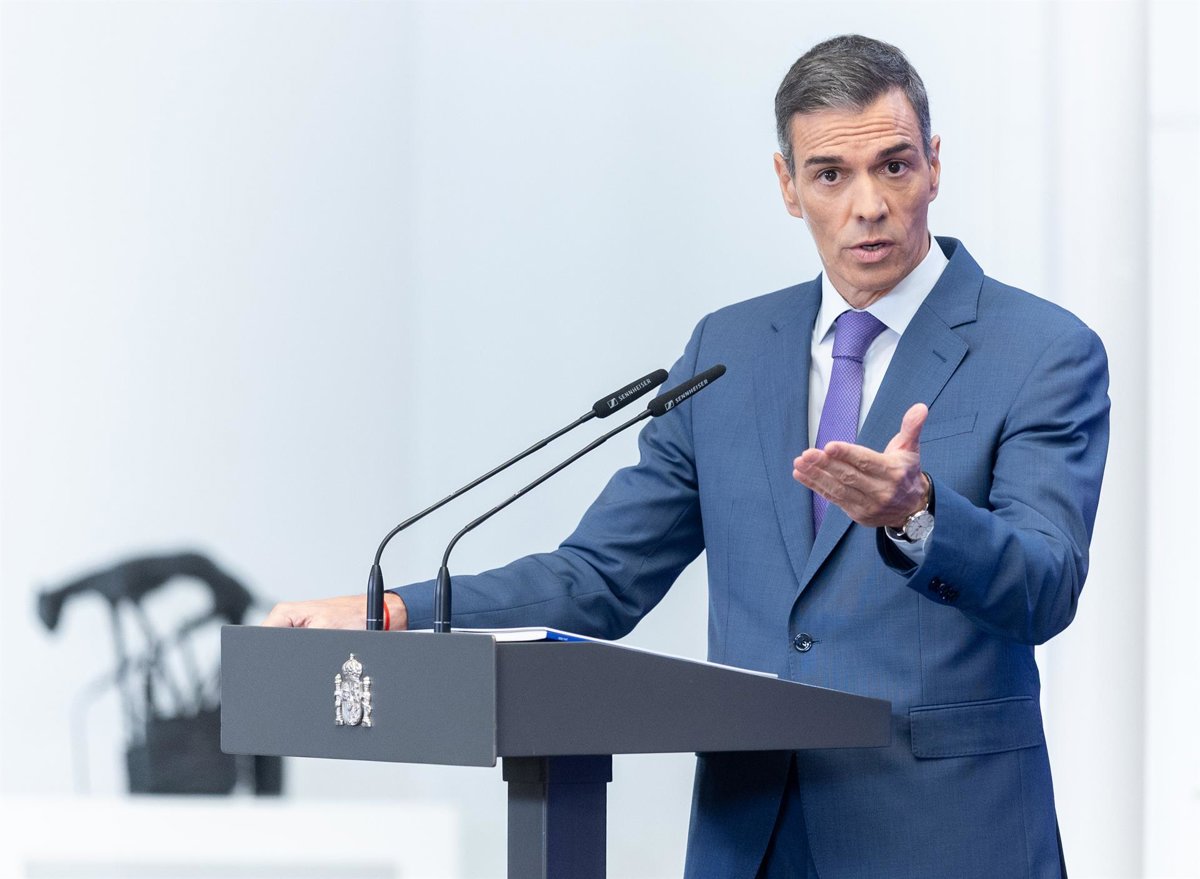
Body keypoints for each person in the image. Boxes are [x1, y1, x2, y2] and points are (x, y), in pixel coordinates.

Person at [266, 34, 1109, 879]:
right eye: (830, 175)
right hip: (751, 836)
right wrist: (396, 613)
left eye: (893, 166)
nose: (868, 205)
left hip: (945, 834)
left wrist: (919, 515)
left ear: (934, 165)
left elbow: (1046, 585)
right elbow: (598, 577)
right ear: (788, 185)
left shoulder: (1040, 350)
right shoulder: (729, 350)